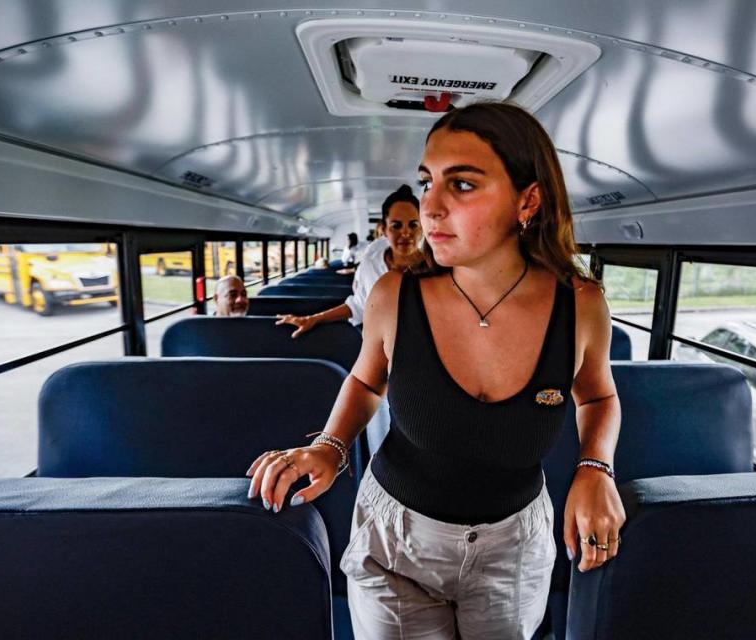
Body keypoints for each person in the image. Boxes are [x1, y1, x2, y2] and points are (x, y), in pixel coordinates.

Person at [246, 102, 623, 639]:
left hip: (515, 545)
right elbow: (365, 378)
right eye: (427, 183)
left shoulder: (580, 304)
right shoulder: (394, 295)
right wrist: (329, 446)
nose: (431, 207)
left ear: (528, 199)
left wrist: (595, 469)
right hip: (395, 540)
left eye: (462, 185)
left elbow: (597, 397)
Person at [275, 185, 424, 338]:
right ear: (384, 230)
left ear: (423, 228)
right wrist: (312, 319)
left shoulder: (437, 266)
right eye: (396, 226)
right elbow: (359, 306)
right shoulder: (371, 264)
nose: (406, 232)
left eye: (413, 225)